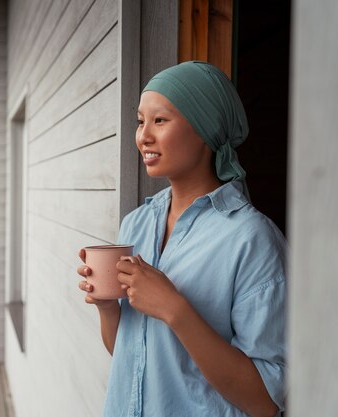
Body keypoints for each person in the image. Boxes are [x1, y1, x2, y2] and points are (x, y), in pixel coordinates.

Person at [77, 61, 286, 417]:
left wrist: (174, 310)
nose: (144, 135)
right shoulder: (136, 225)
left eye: (160, 120)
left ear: (205, 127)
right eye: (140, 121)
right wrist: (107, 307)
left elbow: (266, 401)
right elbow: (132, 356)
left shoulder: (251, 239)